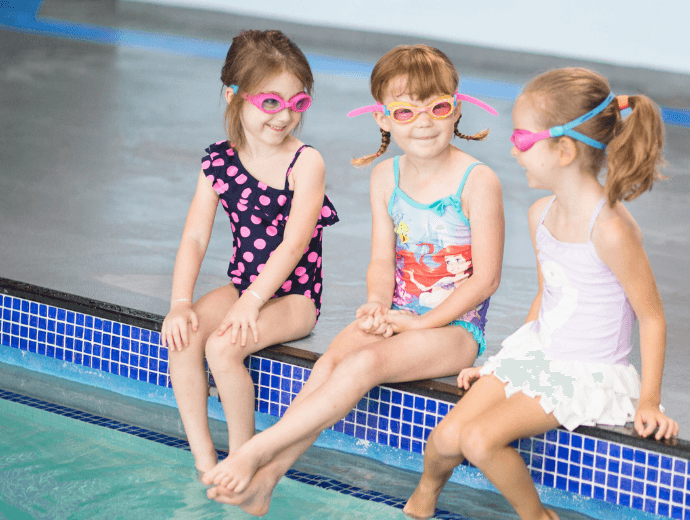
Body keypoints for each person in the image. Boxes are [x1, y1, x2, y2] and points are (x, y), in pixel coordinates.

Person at [201, 44, 505, 517]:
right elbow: (382, 260)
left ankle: (253, 452)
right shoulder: (386, 176)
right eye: (405, 112)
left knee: (363, 367)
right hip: (397, 315)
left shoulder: (477, 180)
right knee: (326, 367)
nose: (423, 122)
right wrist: (377, 304)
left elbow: (485, 281)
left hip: (453, 330)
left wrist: (416, 326)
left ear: (457, 108)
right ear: (384, 120)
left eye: (437, 107)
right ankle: (266, 483)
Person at [404, 67, 680, 520]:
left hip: (586, 371)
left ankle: (539, 518)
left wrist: (648, 399)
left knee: (479, 440)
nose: (514, 150)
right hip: (539, 354)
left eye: (523, 140)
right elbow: (548, 294)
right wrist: (502, 365)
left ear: (565, 150)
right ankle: (420, 503)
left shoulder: (611, 230)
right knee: (445, 438)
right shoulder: (540, 214)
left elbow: (651, 317)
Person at [160, 29, 338, 478]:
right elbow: (195, 238)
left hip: (294, 299)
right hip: (245, 288)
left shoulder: (306, 163)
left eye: (298, 104)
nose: (284, 117)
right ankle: (204, 460)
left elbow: (295, 244)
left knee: (223, 349)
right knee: (183, 338)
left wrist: (253, 302)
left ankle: (243, 460)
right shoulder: (219, 162)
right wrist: (179, 304)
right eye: (271, 102)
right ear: (233, 96)